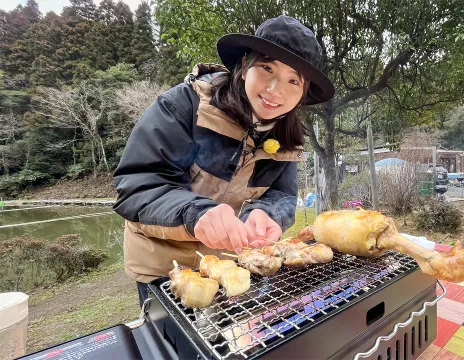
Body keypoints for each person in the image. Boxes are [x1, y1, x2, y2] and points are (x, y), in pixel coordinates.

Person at [112, 15, 334, 306]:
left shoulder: (284, 138)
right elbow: (137, 187)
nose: (275, 90)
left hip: (231, 266)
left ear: (302, 94)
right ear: (244, 66)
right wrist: (196, 212)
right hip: (164, 268)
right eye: (267, 68)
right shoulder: (183, 107)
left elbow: (282, 195)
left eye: (293, 80)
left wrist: (267, 214)